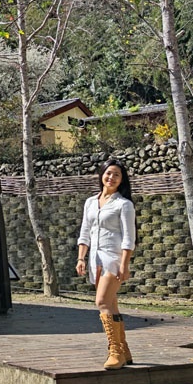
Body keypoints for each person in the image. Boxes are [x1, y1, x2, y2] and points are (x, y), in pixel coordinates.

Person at [76, 158, 136, 370]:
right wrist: (81, 257)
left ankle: (115, 351)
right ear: (102, 174)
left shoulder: (124, 205)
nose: (111, 178)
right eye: (108, 173)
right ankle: (125, 349)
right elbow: (85, 232)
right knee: (111, 304)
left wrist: (125, 264)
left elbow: (129, 237)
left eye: (117, 175)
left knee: (101, 302)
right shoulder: (91, 202)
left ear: (122, 180)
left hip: (113, 258)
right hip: (95, 259)